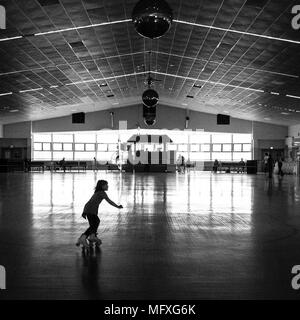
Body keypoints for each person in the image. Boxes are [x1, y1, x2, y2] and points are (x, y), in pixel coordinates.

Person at [76, 180, 123, 248]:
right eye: (106, 185)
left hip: (89, 209)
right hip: (91, 209)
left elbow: (90, 202)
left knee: (94, 224)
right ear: (102, 186)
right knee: (94, 224)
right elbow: (109, 201)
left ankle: (92, 236)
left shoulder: (98, 192)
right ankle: (83, 238)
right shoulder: (102, 193)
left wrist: (84, 211)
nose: (107, 186)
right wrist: (117, 206)